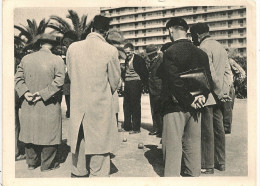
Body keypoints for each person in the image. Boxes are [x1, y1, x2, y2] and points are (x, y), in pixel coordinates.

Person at [66, 15, 121, 177]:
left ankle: (79, 172)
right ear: (106, 32)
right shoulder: (111, 50)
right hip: (100, 105)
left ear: (91, 29)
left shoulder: (73, 48)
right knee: (100, 144)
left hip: (78, 103)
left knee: (79, 138)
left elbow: (70, 74)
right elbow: (115, 81)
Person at [160, 18, 212, 177]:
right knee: (193, 145)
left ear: (171, 31)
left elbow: (173, 81)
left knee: (173, 145)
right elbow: (207, 78)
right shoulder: (201, 52)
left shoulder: (170, 52)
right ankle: (193, 176)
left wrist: (188, 99)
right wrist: (201, 97)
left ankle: (172, 178)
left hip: (175, 106)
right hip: (197, 105)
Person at [15, 34, 65, 171]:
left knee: (30, 131)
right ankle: (47, 165)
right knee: (49, 133)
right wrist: (42, 94)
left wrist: (26, 93)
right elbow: (59, 82)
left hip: (28, 102)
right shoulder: (58, 60)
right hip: (48, 102)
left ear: (40, 43)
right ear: (53, 45)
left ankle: (31, 163)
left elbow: (18, 78)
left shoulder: (26, 59)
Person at [190, 23, 233, 174]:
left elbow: (211, 73)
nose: (192, 39)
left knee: (207, 131)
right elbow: (228, 72)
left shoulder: (203, 48)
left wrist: (218, 92)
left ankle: (208, 165)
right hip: (220, 94)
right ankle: (221, 162)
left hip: (209, 95)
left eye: (192, 35)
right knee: (219, 129)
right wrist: (224, 91)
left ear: (198, 35)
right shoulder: (220, 46)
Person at [122, 42, 149, 134]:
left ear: (133, 51)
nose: (127, 55)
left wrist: (143, 85)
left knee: (135, 105)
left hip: (136, 83)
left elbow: (144, 73)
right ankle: (127, 127)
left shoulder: (139, 59)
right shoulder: (126, 60)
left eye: (128, 53)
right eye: (125, 53)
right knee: (126, 105)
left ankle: (136, 128)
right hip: (127, 83)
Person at [223, 48, 246, 134]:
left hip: (229, 86)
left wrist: (235, 83)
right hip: (224, 86)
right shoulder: (222, 61)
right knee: (224, 108)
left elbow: (242, 73)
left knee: (227, 108)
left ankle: (226, 129)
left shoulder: (230, 61)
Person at [145, 44, 163, 137]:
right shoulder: (151, 61)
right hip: (152, 88)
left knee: (160, 110)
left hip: (159, 88)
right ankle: (156, 128)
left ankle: (162, 130)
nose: (149, 57)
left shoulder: (161, 59)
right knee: (154, 110)